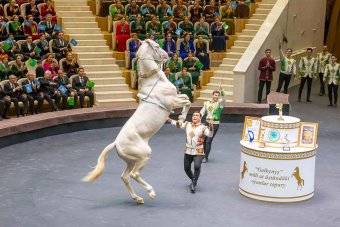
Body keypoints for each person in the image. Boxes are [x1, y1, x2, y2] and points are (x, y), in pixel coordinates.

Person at [167, 112, 213, 193]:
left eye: (197, 115)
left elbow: (210, 134)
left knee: (197, 166)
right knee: (186, 168)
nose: (194, 116)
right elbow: (178, 124)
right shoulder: (187, 124)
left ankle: (193, 183)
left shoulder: (203, 127)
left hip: (198, 151)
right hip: (188, 151)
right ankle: (193, 179)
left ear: (200, 118)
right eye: (193, 115)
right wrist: (169, 120)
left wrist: (211, 128)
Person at [200, 84, 225, 163]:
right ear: (212, 95)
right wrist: (198, 117)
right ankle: (203, 155)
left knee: (208, 141)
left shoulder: (220, 104)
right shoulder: (206, 103)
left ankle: (206, 157)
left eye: (218, 95)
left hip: (214, 124)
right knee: (204, 140)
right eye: (215, 95)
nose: (217, 96)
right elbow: (202, 111)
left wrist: (221, 89)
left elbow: (224, 98)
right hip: (207, 122)